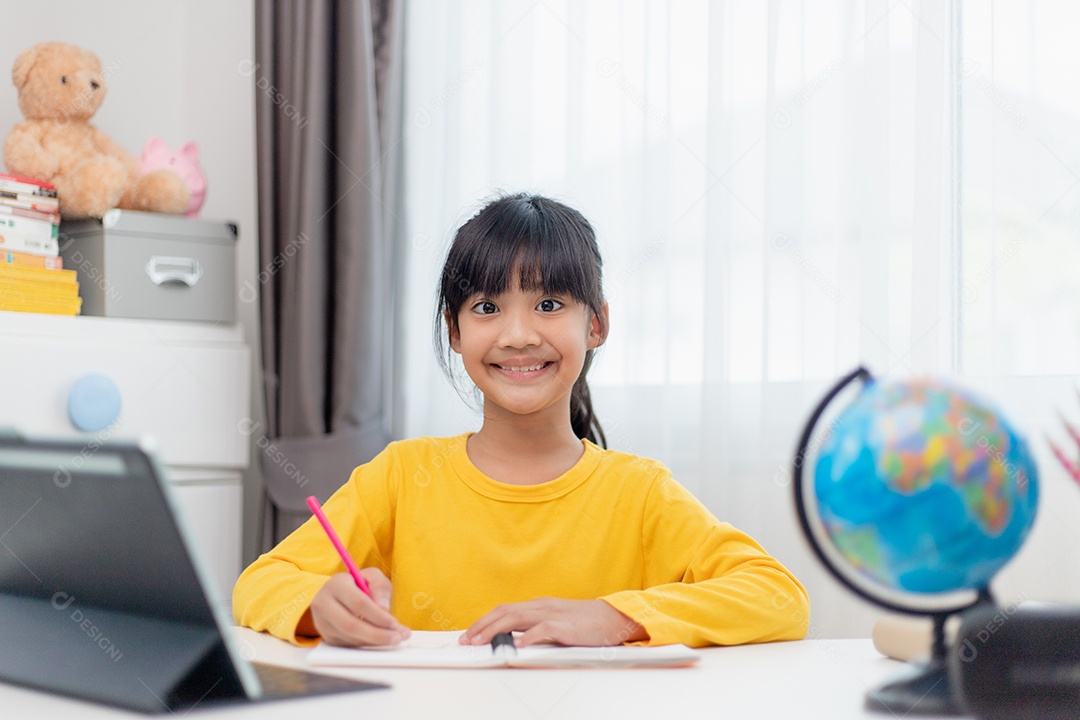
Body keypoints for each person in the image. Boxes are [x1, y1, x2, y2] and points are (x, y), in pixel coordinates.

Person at [233, 193, 810, 649]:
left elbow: (778, 596)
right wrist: (319, 606)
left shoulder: (638, 492)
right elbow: (258, 584)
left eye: (550, 304)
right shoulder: (401, 477)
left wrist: (616, 618)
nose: (517, 335)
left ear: (596, 324)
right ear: (455, 332)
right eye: (487, 308)